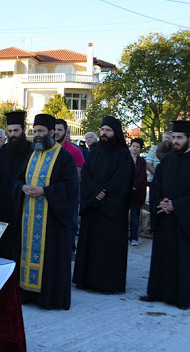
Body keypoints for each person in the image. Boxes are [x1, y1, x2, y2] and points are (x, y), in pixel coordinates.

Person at [13, 114, 78, 310]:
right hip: (28, 217)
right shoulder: (31, 155)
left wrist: (46, 191)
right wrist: (22, 188)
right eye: (35, 131)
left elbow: (71, 188)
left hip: (51, 220)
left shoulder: (64, 157)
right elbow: (16, 180)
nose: (38, 135)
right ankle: (27, 294)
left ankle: (47, 298)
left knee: (48, 257)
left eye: (42, 131)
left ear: (52, 132)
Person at [73, 116, 133, 294]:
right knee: (90, 245)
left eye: (108, 130)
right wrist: (95, 191)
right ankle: (86, 281)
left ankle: (107, 284)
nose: (104, 133)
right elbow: (86, 174)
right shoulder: (95, 151)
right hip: (93, 207)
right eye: (102, 130)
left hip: (111, 211)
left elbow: (123, 180)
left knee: (108, 249)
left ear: (115, 133)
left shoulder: (123, 154)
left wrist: (104, 192)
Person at [142, 120, 190, 309]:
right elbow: (155, 187)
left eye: (180, 138)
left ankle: (182, 297)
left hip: (183, 220)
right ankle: (157, 292)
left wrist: (176, 206)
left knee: (182, 259)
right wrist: (159, 203)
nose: (175, 141)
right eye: (173, 138)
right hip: (164, 217)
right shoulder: (167, 160)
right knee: (161, 256)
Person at [0, 111, 33, 264]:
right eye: (10, 131)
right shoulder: (4, 150)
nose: (13, 134)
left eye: (16, 130)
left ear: (23, 130)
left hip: (24, 204)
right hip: (5, 206)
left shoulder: (31, 149)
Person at [54, 119, 85, 259]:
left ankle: (70, 249)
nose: (56, 132)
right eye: (54, 129)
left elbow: (78, 177)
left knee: (71, 224)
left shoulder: (75, 151)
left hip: (70, 195)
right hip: (52, 193)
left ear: (66, 132)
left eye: (60, 130)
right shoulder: (45, 149)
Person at [128, 138, 147, 246]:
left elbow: (143, 176)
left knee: (135, 216)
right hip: (125, 191)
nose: (135, 148)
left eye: (137, 147)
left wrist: (135, 186)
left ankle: (134, 237)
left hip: (137, 193)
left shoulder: (142, 161)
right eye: (133, 146)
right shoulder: (124, 159)